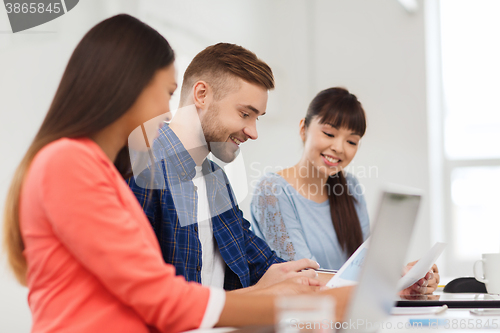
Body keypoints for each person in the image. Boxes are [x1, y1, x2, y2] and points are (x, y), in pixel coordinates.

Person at [2, 15, 353, 333]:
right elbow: (161, 298)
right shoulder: (78, 163)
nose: (168, 110)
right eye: (168, 93)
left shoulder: (194, 177)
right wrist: (290, 302)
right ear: (126, 88)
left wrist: (331, 285)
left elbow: (243, 264)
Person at [127, 43, 321, 291]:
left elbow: (263, 265)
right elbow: (140, 289)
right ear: (201, 95)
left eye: (256, 118)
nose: (253, 132)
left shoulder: (216, 180)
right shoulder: (143, 164)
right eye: (244, 114)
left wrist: (344, 283)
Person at [250, 87, 440, 293]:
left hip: (345, 312)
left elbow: (365, 264)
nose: (339, 148)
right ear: (303, 129)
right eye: (329, 133)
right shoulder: (272, 191)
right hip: (297, 316)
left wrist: (404, 277)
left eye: (351, 141)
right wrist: (385, 284)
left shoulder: (350, 187)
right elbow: (304, 278)